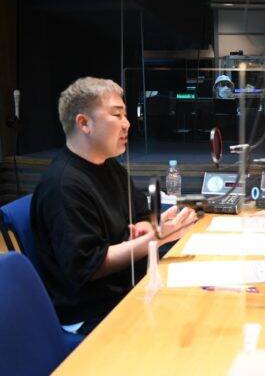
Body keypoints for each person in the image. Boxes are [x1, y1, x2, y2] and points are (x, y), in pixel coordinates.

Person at [31, 77, 197, 335]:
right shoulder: (63, 186)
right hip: (91, 311)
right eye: (117, 115)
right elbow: (89, 266)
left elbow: (141, 213)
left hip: (129, 286)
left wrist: (145, 228)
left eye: (126, 115)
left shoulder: (109, 166)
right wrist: (156, 237)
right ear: (84, 123)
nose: (127, 124)